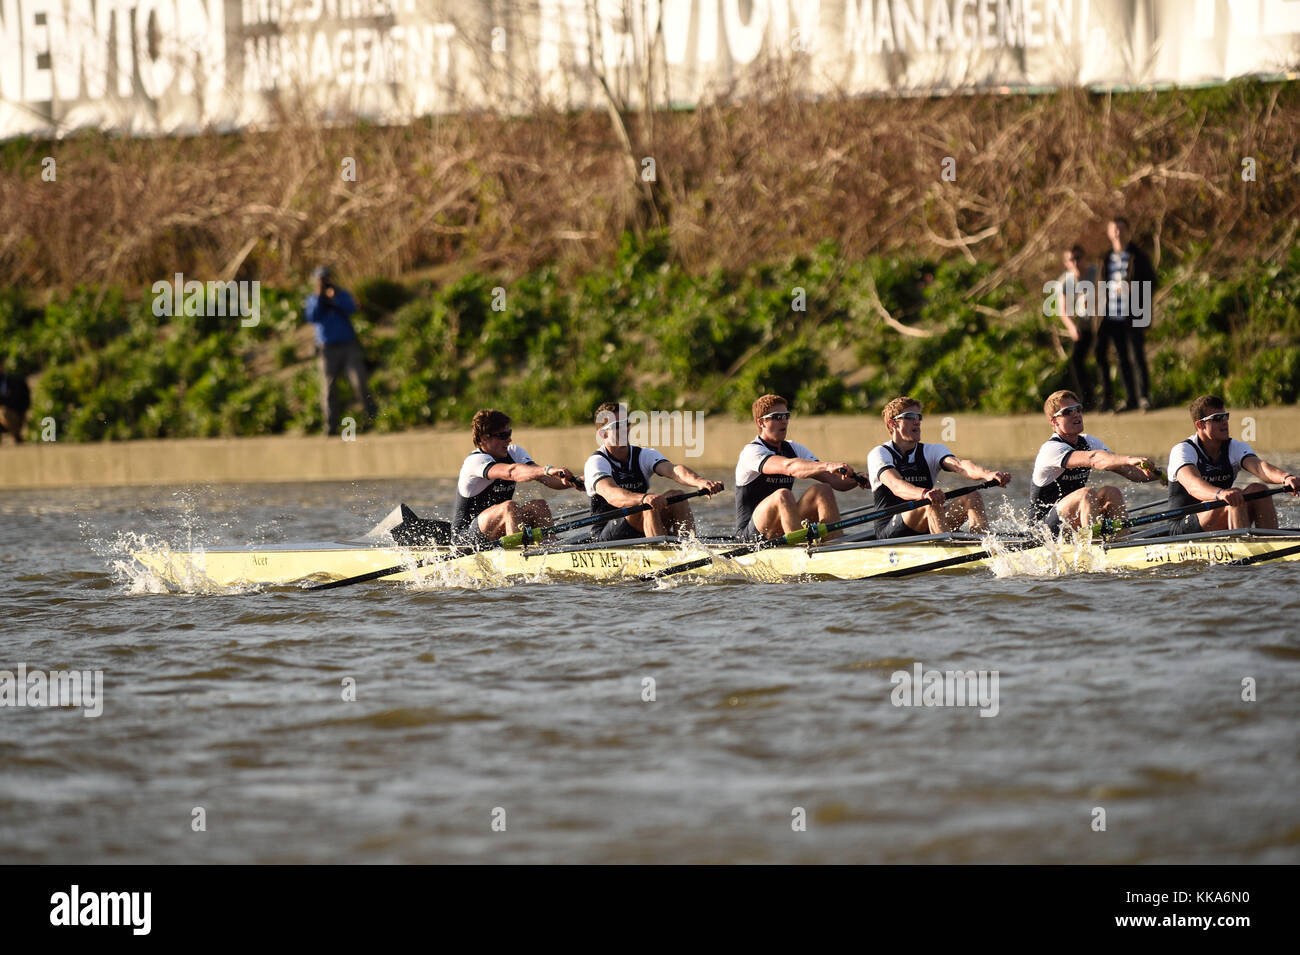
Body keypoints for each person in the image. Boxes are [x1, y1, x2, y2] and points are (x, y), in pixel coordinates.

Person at [866, 397, 1011, 538]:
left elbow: (960, 466)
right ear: (893, 424)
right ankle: (948, 550)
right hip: (890, 528)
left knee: (973, 497)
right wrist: (924, 494)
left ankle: (983, 546)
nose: (917, 421)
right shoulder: (879, 454)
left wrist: (988, 474)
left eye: (919, 416)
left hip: (929, 518)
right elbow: (896, 485)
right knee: (929, 502)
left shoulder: (931, 450)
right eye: (910, 416)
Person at [583, 402, 723, 540]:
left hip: (641, 521)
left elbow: (673, 470)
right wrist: (644, 498)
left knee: (677, 497)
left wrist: (700, 482)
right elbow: (612, 494)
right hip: (607, 534)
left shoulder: (643, 455)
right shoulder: (596, 462)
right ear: (603, 434)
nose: (625, 428)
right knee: (647, 504)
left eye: (627, 423)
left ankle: (689, 548)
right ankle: (663, 553)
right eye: (618, 426)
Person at [1030, 389, 1162, 532]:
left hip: (1070, 519)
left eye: (1078, 409)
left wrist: (1165, 475)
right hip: (1042, 529)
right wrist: (1129, 459)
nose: (1076, 414)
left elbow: (1131, 472)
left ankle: (1121, 542)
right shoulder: (1051, 449)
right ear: (1054, 421)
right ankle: (1094, 546)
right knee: (1086, 494)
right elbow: (1094, 459)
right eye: (1068, 412)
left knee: (1112, 492)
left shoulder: (1088, 442)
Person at [734, 394, 860, 540]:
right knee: (783, 495)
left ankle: (835, 545)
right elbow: (790, 467)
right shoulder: (752, 452)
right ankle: (801, 549)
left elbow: (835, 480)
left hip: (783, 526)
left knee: (823, 490)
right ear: (761, 422)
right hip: (752, 534)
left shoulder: (793, 448)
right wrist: (828, 465)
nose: (784, 421)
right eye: (777, 417)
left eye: (786, 416)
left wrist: (860, 479)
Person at [1165, 396, 1299, 533]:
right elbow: (1193, 485)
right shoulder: (1183, 450)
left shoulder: (1233, 447)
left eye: (1225, 416)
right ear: (1200, 425)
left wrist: (1286, 477)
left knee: (1259, 490)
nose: (1224, 422)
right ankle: (1242, 546)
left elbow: (1260, 468)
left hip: (1221, 510)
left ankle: (1272, 541)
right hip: (1183, 525)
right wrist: (1220, 494)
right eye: (1217, 418)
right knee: (1234, 497)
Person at [452, 409, 581, 546]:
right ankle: (518, 557)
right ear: (484, 438)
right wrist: (547, 469)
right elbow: (511, 472)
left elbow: (547, 479)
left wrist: (579, 481)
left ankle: (551, 548)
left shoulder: (513, 452)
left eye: (509, 433)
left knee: (539, 506)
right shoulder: (475, 461)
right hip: (466, 539)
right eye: (502, 435)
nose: (509, 439)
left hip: (497, 527)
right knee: (509, 507)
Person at [304, 266, 378, 436]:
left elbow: (352, 308)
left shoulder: (341, 294)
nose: (324, 282)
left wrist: (335, 298)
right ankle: (330, 427)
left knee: (359, 381)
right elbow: (312, 316)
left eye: (326, 278)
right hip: (327, 348)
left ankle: (373, 419)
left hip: (348, 345)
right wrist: (320, 297)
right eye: (321, 279)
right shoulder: (313, 299)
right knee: (329, 388)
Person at [1097, 217, 1157, 412]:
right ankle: (1130, 398)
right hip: (1112, 315)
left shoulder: (1138, 256)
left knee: (1137, 356)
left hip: (1133, 314)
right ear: (1108, 233)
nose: (1118, 233)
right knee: (1121, 358)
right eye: (1114, 229)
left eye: (1121, 229)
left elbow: (1152, 282)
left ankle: (1143, 397)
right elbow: (1100, 283)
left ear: (1128, 231)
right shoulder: (1106, 258)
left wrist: (1134, 289)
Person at [1055, 245, 1097, 410]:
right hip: (1082, 325)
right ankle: (1088, 400)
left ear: (1085, 258)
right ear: (1066, 263)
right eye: (1072, 259)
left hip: (1099, 322)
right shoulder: (1065, 282)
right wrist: (1072, 327)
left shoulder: (1095, 273)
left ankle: (1111, 398)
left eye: (1078, 258)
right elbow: (1062, 310)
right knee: (1076, 361)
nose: (1076, 262)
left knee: (1102, 358)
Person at [0, 363, 30, 445]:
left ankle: (16, 435)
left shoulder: (14, 381)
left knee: (4, 411)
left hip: (13, 414)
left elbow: (22, 399)